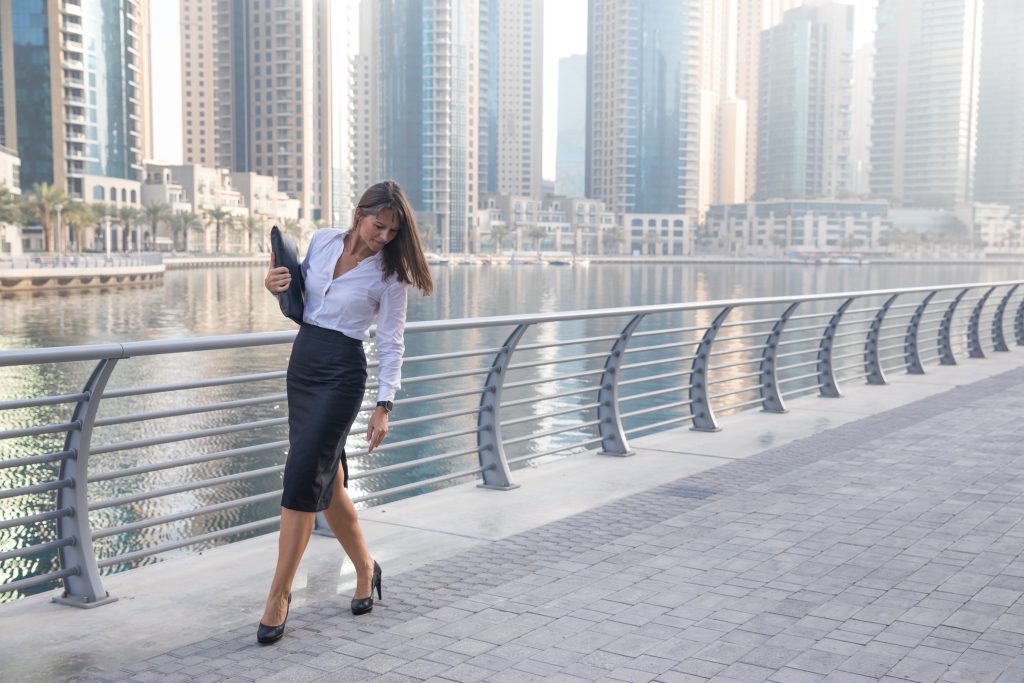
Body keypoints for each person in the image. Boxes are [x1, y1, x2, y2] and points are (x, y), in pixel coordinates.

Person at [257, 180, 433, 644]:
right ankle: (365, 568)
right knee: (327, 484)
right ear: (360, 214)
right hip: (304, 361)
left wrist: (384, 404)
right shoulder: (320, 240)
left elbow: (392, 342)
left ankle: (279, 595)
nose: (384, 237)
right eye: (379, 226)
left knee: (300, 477)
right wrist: (274, 286)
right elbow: (300, 303)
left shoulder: (390, 276)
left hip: (342, 374)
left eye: (393, 232)